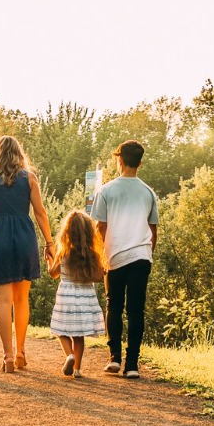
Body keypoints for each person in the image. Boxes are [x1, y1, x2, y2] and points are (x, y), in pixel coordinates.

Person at [0, 135, 53, 373]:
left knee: (2, 301)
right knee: (21, 300)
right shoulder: (30, 179)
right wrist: (49, 242)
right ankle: (20, 353)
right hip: (25, 238)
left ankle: (6, 356)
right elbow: (40, 212)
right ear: (19, 153)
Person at [89, 140, 158, 379]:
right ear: (140, 162)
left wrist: (99, 257)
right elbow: (153, 229)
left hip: (114, 256)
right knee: (136, 310)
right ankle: (132, 365)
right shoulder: (148, 192)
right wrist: (148, 254)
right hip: (141, 256)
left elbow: (100, 228)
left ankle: (114, 358)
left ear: (119, 160)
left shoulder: (106, 191)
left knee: (114, 305)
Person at [47, 210, 108, 379]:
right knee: (79, 335)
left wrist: (48, 261)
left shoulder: (64, 252)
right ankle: (77, 369)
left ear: (67, 231)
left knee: (61, 330)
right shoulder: (92, 255)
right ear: (89, 232)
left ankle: (69, 356)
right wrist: (102, 271)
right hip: (85, 297)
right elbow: (97, 277)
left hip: (66, 295)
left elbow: (53, 274)